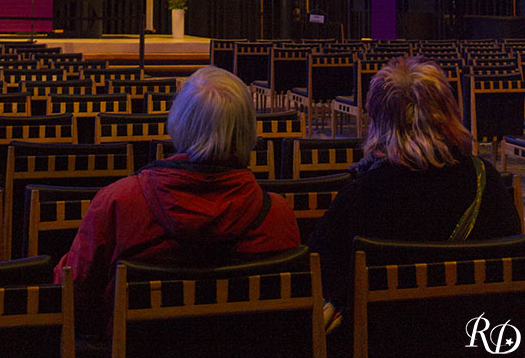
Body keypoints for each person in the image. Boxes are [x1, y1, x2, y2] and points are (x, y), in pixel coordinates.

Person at [54, 65, 301, 339]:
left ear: (178, 123)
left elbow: (70, 296)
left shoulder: (118, 203)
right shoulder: (279, 215)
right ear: (248, 131)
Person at [309, 55, 522, 315]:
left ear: (379, 121)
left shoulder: (361, 194)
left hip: (383, 339)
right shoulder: (486, 181)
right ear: (449, 112)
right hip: (477, 335)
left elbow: (318, 274)